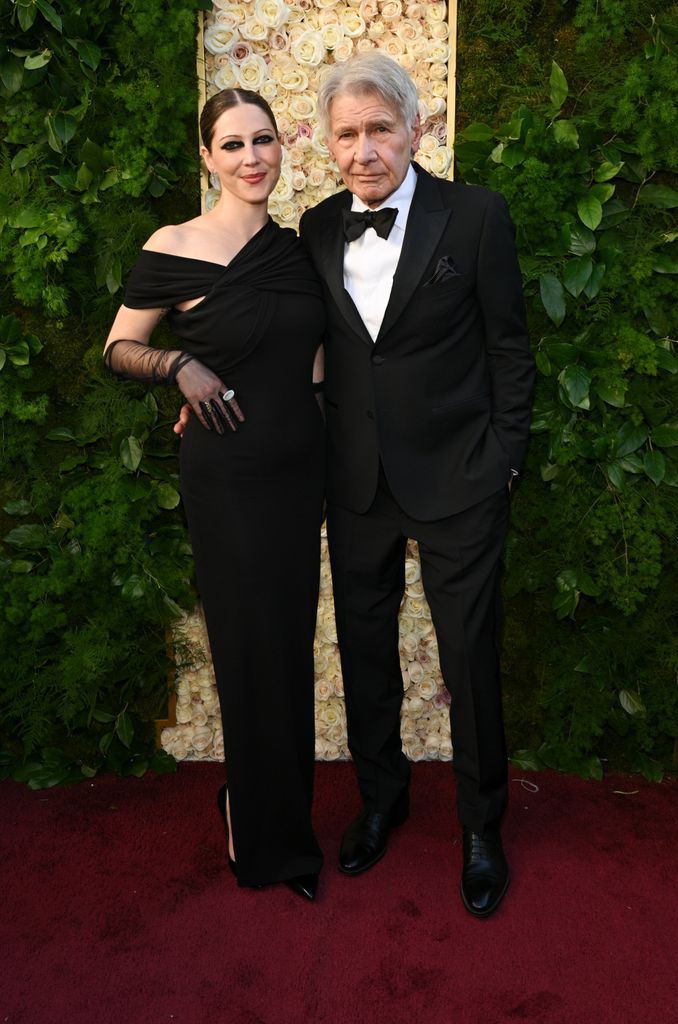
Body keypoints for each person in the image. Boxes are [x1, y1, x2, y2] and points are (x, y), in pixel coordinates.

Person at [298, 52, 536, 917]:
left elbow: (509, 345)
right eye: (346, 134)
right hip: (356, 484)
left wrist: (503, 457)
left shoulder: (475, 216)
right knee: (366, 654)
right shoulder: (316, 228)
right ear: (328, 144)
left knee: (468, 659)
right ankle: (381, 799)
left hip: (461, 480)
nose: (364, 149)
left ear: (414, 131)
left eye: (378, 129)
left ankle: (481, 826)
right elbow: (297, 344)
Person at [104, 89, 326, 901]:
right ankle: (259, 834)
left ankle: (282, 821)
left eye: (262, 140)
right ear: (207, 158)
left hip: (301, 471)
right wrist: (178, 367)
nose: (250, 158)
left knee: (290, 648)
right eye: (231, 145)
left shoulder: (302, 250)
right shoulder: (174, 244)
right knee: (247, 650)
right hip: (225, 476)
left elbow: (315, 364)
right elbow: (119, 345)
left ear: (280, 146)